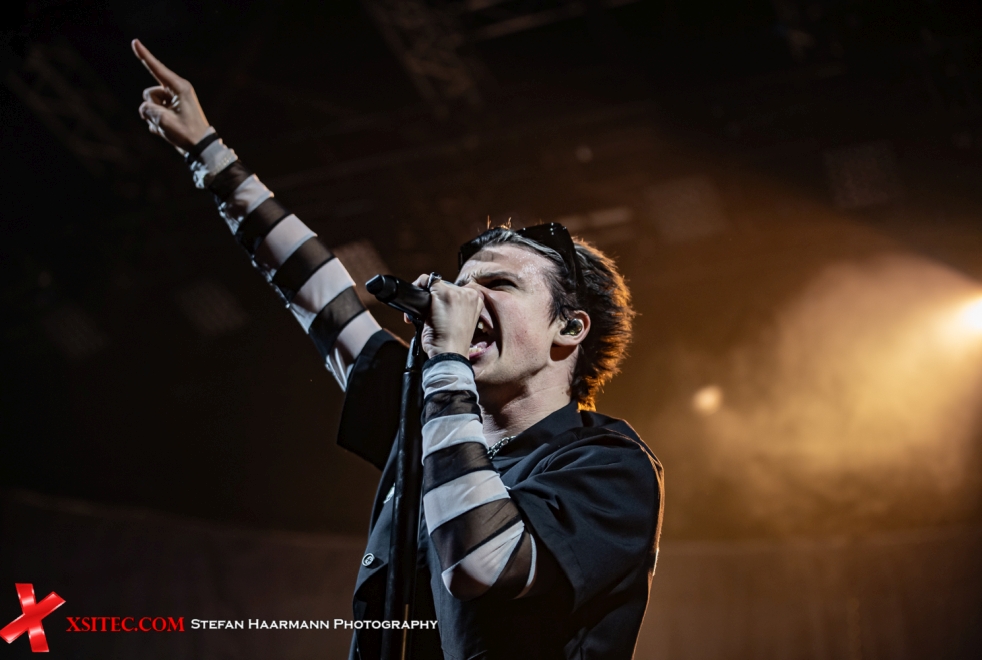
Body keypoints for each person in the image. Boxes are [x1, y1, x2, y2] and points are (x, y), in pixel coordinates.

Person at [132, 38, 663, 660]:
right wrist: (209, 154)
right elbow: (323, 300)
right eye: (462, 284)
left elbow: (483, 563)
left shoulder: (608, 468)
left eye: (498, 284)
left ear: (568, 329)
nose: (463, 298)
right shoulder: (430, 417)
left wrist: (445, 365)